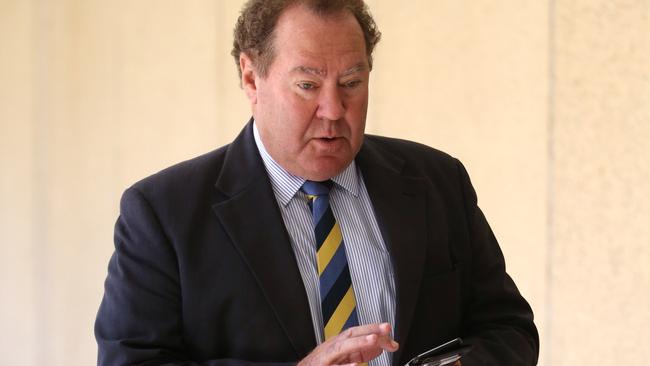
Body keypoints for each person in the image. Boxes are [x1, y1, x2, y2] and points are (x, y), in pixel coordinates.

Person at [95, 0, 539, 365]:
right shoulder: (163, 213)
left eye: (352, 82)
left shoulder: (437, 181)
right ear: (252, 78)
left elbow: (508, 329)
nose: (332, 109)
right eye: (307, 85)